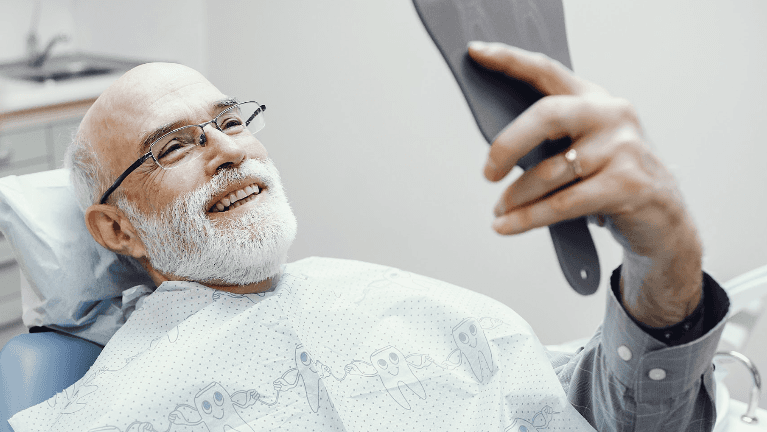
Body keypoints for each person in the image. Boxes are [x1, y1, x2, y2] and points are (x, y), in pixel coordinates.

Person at [13, 43, 728, 432]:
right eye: (172, 147)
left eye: (230, 121)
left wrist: (663, 262)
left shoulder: (393, 299)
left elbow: (620, 418)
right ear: (116, 228)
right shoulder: (113, 405)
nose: (229, 150)